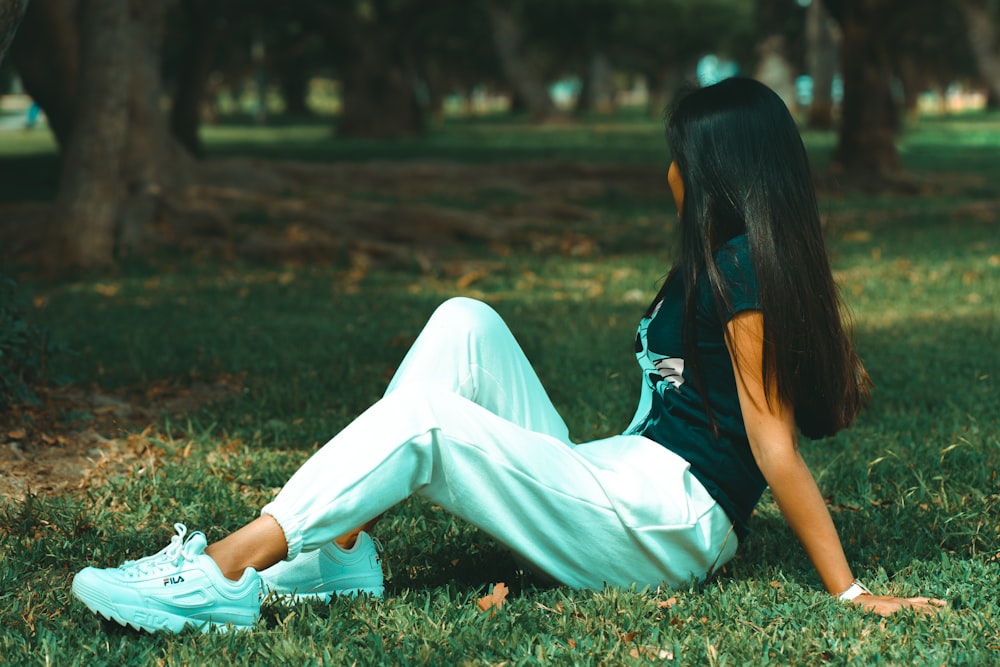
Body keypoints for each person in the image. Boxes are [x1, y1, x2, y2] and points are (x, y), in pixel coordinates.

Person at [71, 77, 945, 634]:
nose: (667, 175)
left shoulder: (742, 268)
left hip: (667, 521)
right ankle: (339, 547)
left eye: (677, 159)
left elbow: (774, 444)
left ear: (714, 172)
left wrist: (851, 593)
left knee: (429, 421)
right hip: (623, 479)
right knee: (465, 320)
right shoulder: (725, 258)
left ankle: (222, 572)